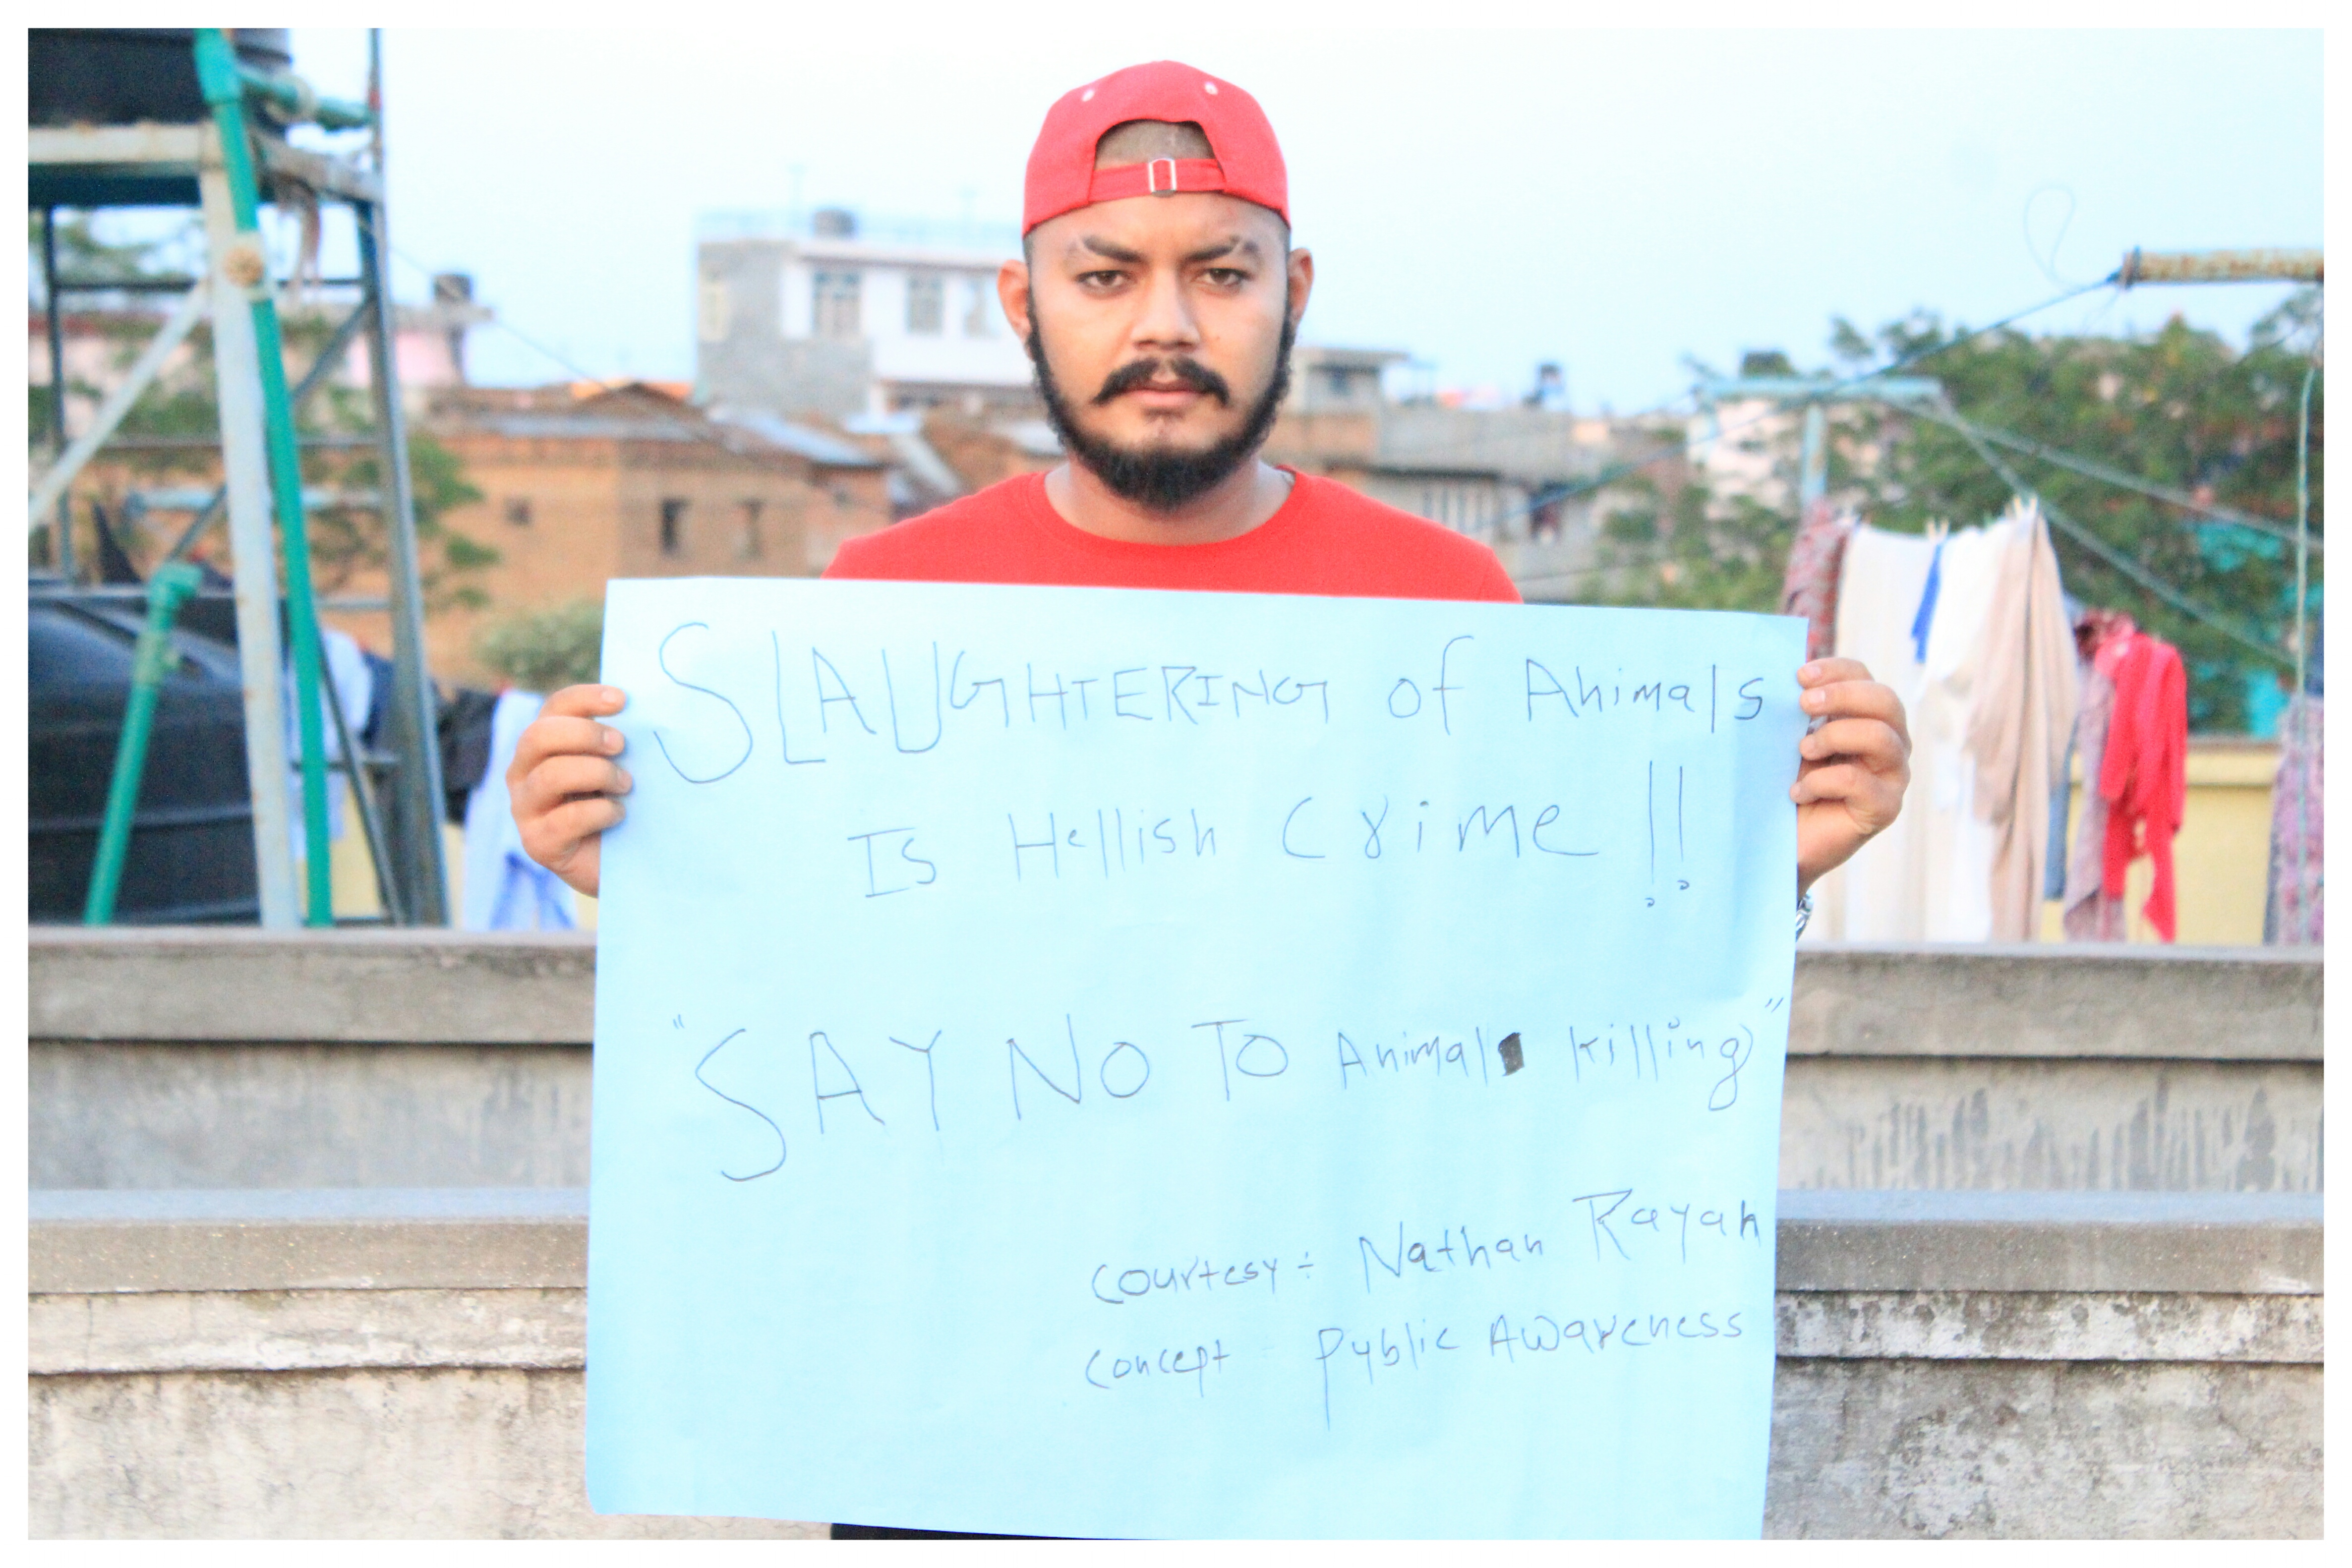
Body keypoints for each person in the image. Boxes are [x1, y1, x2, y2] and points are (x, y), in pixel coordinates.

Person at [507, 61, 1910, 1538]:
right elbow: (837, 1022)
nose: (1165, 324)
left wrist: (1762, 869)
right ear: (1022, 301)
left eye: (1221, 274)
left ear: (1294, 292)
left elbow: (1524, 1014)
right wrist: (645, 868)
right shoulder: (881, 605)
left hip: (1345, 1420)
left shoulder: (1446, 602)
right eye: (1106, 274)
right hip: (976, 1427)